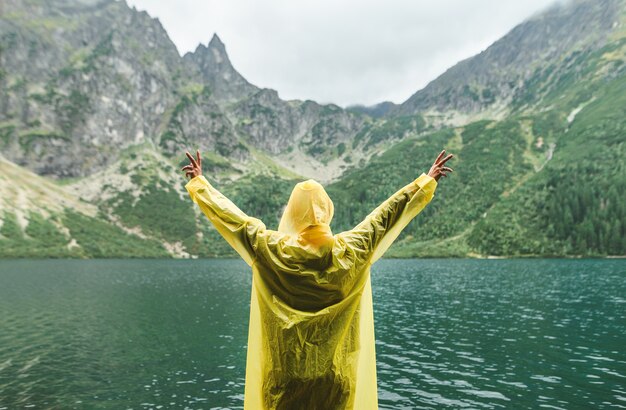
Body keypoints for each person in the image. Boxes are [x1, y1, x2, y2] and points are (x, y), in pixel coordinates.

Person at [182, 149, 453, 409]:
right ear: (327, 209)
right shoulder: (352, 249)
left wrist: (200, 185)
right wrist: (424, 182)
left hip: (283, 381)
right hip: (336, 381)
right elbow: (385, 216)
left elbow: (235, 220)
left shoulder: (271, 250)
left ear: (292, 211)